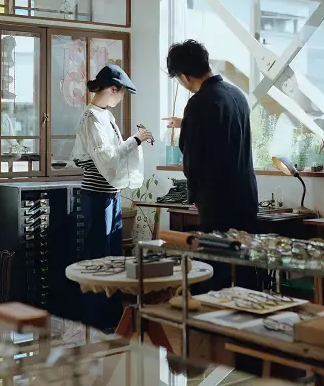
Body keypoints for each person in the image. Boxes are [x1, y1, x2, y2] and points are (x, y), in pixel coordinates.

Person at [164, 40, 258, 290]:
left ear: (184, 76)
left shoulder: (199, 102)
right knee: (245, 265)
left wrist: (194, 195)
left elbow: (193, 157)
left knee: (215, 270)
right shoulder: (237, 95)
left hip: (218, 201)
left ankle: (213, 315)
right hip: (246, 195)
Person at [73, 64, 152, 330]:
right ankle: (96, 322)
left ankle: (111, 320)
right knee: (98, 259)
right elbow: (108, 158)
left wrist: (134, 141)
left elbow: (113, 155)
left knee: (113, 257)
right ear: (112, 89)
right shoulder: (92, 118)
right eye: (122, 93)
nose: (121, 99)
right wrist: (136, 140)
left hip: (109, 195)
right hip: (97, 195)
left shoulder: (104, 115)